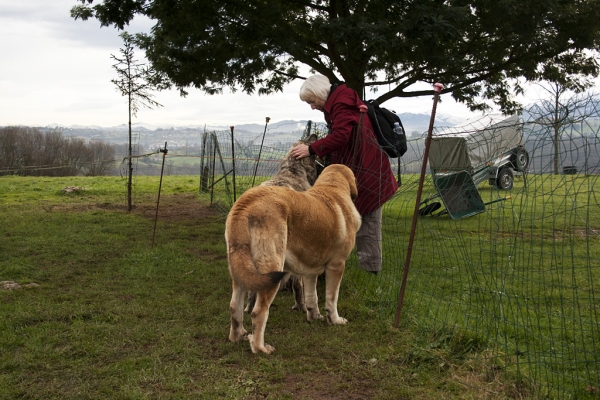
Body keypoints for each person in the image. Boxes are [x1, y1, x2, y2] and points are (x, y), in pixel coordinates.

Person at [290, 74, 398, 274]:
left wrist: (312, 149)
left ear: (321, 93)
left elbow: (340, 135)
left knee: (368, 218)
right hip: (355, 166)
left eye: (312, 101)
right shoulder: (337, 103)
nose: (312, 106)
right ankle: (333, 262)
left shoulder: (342, 102)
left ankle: (370, 270)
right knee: (350, 216)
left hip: (366, 168)